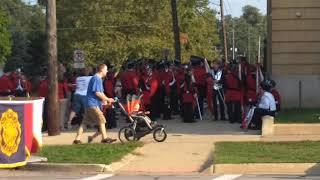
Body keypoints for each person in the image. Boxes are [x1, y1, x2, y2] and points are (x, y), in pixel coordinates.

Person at [73, 64, 116, 144]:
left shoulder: (97, 78)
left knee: (85, 123)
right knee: (102, 120)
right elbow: (97, 93)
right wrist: (107, 99)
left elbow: (101, 92)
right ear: (102, 70)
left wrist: (106, 100)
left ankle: (77, 139)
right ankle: (105, 138)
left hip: (89, 104)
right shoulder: (97, 78)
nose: (107, 71)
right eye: (106, 69)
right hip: (92, 104)